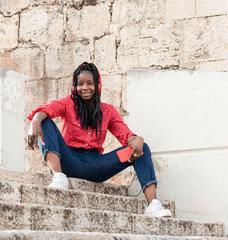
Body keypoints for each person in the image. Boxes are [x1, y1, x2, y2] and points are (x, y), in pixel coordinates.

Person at [27, 62, 171, 217]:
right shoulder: (68, 102)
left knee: (142, 149)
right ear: (74, 86)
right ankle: (58, 177)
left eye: (90, 83)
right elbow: (48, 108)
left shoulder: (108, 111)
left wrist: (136, 139)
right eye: (80, 84)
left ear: (98, 85)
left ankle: (153, 206)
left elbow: (124, 134)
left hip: (98, 166)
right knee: (44, 120)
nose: (85, 88)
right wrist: (35, 121)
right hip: (69, 162)